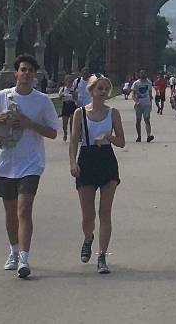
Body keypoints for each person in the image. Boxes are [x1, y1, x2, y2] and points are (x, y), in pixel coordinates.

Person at [0, 54, 59, 279]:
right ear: (16, 72)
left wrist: (30, 124)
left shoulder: (42, 101)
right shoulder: (1, 97)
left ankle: (24, 259)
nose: (26, 74)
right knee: (10, 214)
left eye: (30, 70)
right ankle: (14, 251)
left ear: (34, 75)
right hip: (6, 164)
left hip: (31, 164)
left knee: (24, 209)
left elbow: (53, 132)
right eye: (23, 70)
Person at [69, 74, 125, 274]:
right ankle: (88, 237)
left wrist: (108, 136)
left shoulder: (113, 113)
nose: (102, 92)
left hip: (106, 160)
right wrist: (72, 162)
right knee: (88, 215)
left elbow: (122, 141)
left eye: (105, 89)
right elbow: (74, 140)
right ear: (91, 90)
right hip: (87, 159)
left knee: (105, 212)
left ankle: (102, 255)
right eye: (99, 88)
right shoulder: (80, 113)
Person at [130, 69, 154, 143]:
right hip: (139, 105)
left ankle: (148, 136)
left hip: (147, 104)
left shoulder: (149, 83)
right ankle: (139, 136)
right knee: (138, 120)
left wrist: (150, 104)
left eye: (144, 73)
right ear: (139, 75)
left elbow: (150, 94)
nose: (143, 75)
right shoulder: (136, 83)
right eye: (141, 73)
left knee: (147, 119)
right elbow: (133, 95)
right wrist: (136, 102)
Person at [59, 76, 77, 142]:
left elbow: (76, 98)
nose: (69, 83)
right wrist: (61, 95)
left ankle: (72, 136)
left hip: (72, 105)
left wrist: (74, 94)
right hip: (65, 106)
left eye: (71, 82)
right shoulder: (62, 89)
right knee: (64, 123)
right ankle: (65, 132)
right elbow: (59, 99)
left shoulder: (74, 89)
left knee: (72, 122)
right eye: (68, 82)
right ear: (65, 82)